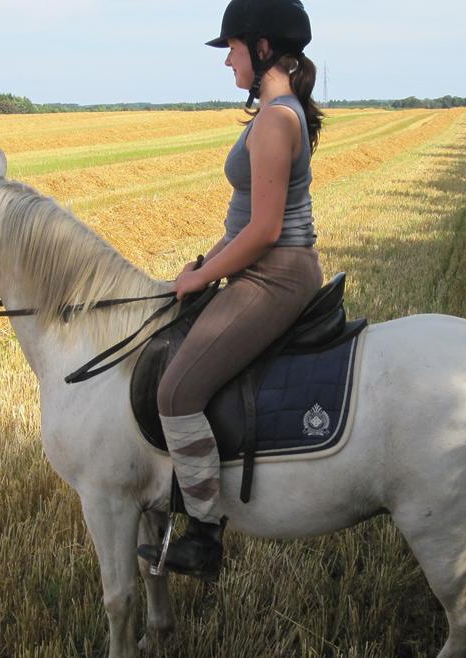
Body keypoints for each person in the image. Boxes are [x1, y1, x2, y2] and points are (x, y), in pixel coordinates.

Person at [136, 0, 325, 581]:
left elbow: (265, 231)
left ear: (262, 49)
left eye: (233, 50)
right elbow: (242, 224)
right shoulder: (275, 113)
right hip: (260, 266)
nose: (227, 62)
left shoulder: (276, 120)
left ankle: (205, 535)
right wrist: (206, 265)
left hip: (276, 273)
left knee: (175, 393)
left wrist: (204, 276)